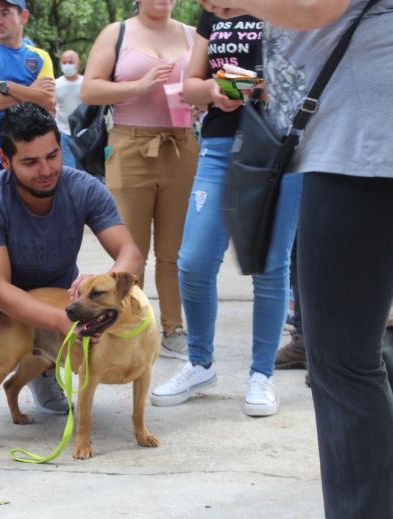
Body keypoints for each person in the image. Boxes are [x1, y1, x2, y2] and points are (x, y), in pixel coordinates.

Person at [200, 1, 393, 517]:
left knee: (341, 361)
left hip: (371, 140)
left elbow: (312, 7)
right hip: (369, 136)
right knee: (348, 345)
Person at [0, 102, 143, 462]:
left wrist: (108, 281)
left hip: (59, 307)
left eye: (52, 156)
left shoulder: (83, 187)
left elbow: (130, 252)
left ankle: (42, 369)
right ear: (4, 159)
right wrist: (60, 321)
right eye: (30, 162)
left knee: (101, 295)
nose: (46, 170)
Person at [149, 10, 296, 417]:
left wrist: (270, 86)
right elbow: (190, 86)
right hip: (218, 146)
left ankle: (261, 375)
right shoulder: (214, 11)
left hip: (279, 148)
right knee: (193, 261)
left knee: (269, 263)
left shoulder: (292, 3)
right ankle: (200, 365)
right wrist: (215, 90)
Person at [81, 0, 199, 359]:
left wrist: (205, 97)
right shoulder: (117, 33)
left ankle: (173, 328)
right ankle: (131, 325)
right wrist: (138, 86)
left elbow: (215, 85)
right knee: (131, 250)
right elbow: (89, 90)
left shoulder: (195, 35)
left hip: (182, 145)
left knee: (174, 251)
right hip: (130, 145)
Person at [0, 0, 55, 187]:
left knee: (34, 215)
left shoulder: (40, 57)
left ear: (23, 16)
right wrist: (31, 91)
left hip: (33, 155)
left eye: (5, 13)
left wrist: (5, 86)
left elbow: (47, 101)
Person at [55, 49, 83, 168]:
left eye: (71, 62)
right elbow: (51, 108)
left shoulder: (86, 83)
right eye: (64, 62)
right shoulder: (55, 84)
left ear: (78, 63)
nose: (67, 65)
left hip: (84, 134)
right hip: (64, 134)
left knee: (89, 170)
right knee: (69, 171)